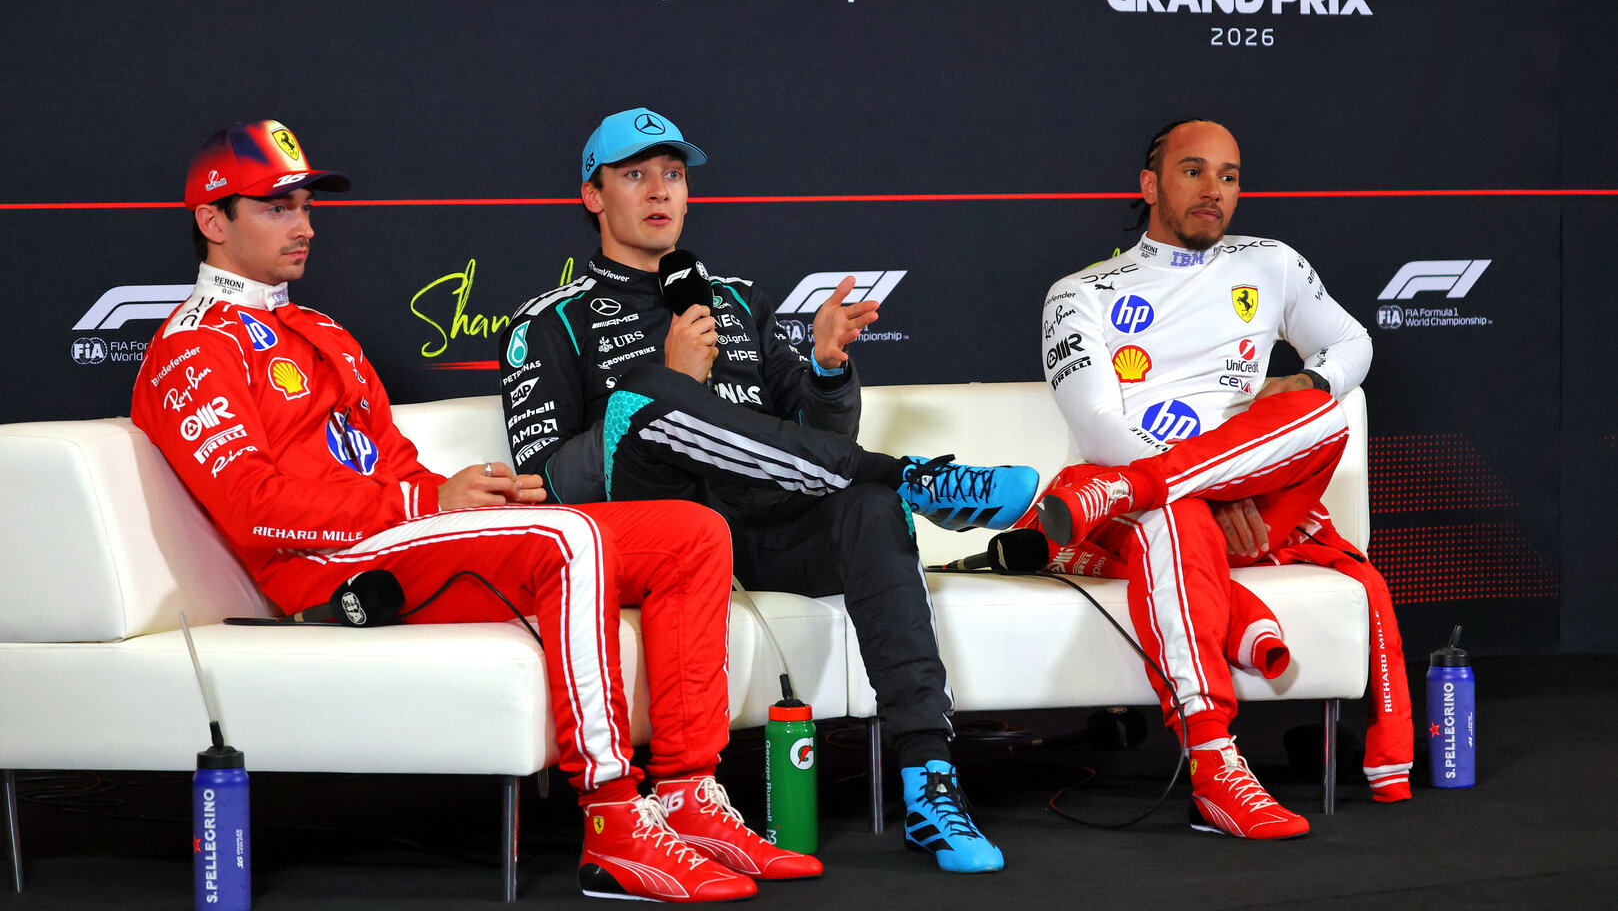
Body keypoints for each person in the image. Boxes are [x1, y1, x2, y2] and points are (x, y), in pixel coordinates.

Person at [132, 119, 822, 903]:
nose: (305, 224)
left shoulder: (319, 330)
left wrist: (464, 493)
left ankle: (689, 796)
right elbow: (254, 509)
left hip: (395, 540)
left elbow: (386, 462)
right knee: (567, 540)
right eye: (278, 207)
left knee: (692, 535)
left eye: (305, 204)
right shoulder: (192, 348)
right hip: (320, 571)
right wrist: (426, 500)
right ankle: (613, 823)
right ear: (213, 220)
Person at [499, 107, 1040, 873]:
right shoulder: (550, 324)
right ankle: (917, 476)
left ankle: (930, 782)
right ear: (593, 196)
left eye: (674, 175)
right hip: (665, 539)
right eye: (634, 174)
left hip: (768, 524)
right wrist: (672, 384)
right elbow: (548, 483)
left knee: (867, 505)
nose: (660, 191)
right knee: (649, 402)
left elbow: (824, 436)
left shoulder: (737, 303)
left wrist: (824, 367)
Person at [1025, 118, 1413, 840]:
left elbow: (1352, 344)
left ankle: (1153, 492)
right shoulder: (1078, 293)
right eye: (1194, 171)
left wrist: (1306, 378)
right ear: (1149, 186)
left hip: (1251, 501)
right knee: (1166, 516)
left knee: (1323, 412)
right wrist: (1203, 495)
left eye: (1229, 176)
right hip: (1139, 508)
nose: (1215, 191)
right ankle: (1213, 766)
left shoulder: (1272, 263)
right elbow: (1103, 431)